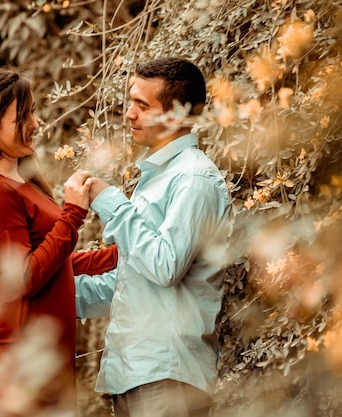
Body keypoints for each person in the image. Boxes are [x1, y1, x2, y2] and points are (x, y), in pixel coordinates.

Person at [0, 67, 117, 417]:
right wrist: (73, 213)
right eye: (23, 115)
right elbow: (26, 277)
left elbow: (53, 264)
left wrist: (119, 256)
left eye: (33, 110)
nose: (36, 122)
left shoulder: (15, 181)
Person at [75, 57, 232, 417]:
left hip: (168, 378)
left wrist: (109, 201)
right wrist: (54, 293)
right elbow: (136, 283)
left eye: (142, 105)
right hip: (134, 375)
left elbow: (165, 267)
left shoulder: (193, 180)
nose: (129, 114)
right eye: (131, 102)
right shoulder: (158, 178)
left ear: (176, 114)